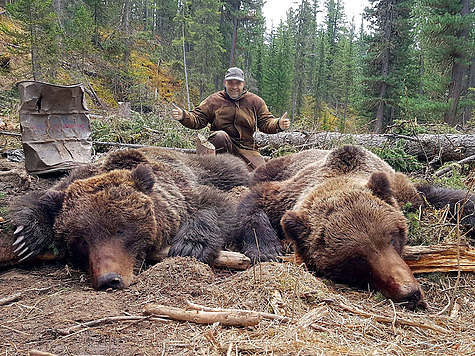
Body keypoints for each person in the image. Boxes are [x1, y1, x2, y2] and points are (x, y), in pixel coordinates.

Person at [171, 67, 291, 170]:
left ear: (243, 84)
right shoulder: (214, 100)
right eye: (230, 83)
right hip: (222, 146)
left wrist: (278, 124)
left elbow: (266, 122)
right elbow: (198, 119)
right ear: (225, 83)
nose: (234, 87)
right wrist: (184, 116)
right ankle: (218, 169)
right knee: (219, 136)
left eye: (237, 83)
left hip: (247, 147)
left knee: (260, 176)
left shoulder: (255, 101)